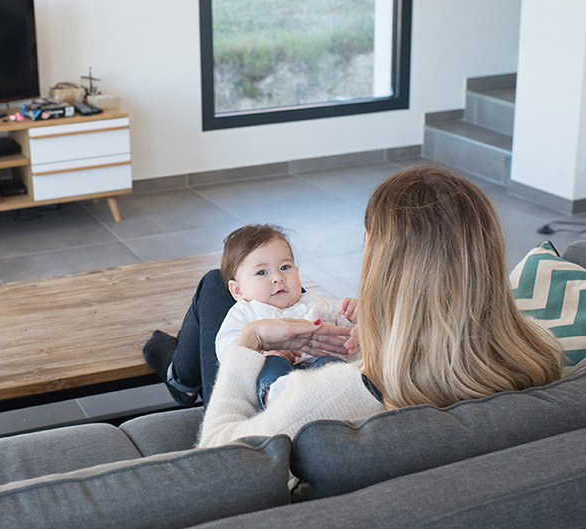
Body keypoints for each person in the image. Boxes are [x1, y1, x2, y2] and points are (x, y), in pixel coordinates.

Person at [197, 165, 565, 447]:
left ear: (385, 272)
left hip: (272, 381)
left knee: (214, 286)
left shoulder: (324, 398)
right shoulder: (541, 351)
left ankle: (179, 379)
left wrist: (251, 338)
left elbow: (218, 457)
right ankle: (178, 370)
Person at [215, 224, 358, 409]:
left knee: (330, 364)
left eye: (285, 267)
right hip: (278, 375)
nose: (278, 277)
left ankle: (341, 396)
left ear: (297, 271)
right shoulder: (245, 312)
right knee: (272, 365)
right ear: (238, 290)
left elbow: (344, 320)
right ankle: (280, 403)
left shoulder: (314, 301)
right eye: (261, 272)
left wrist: (354, 312)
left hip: (320, 373)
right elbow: (228, 348)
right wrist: (260, 353)